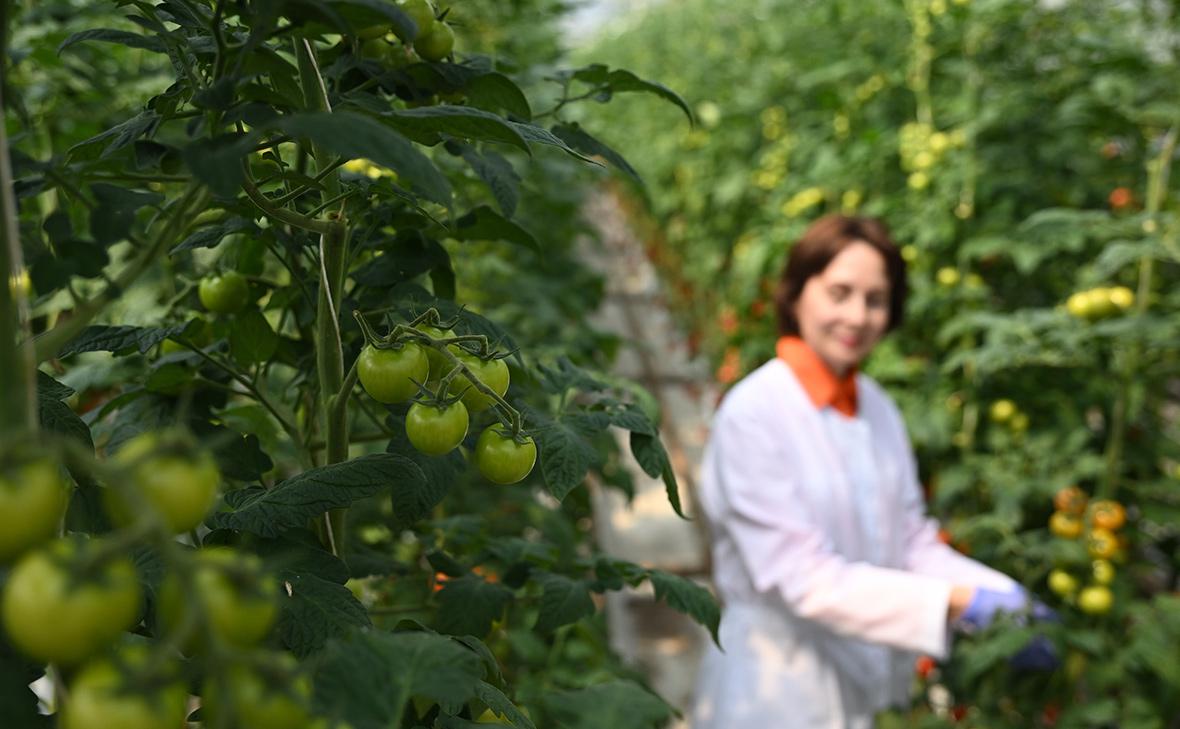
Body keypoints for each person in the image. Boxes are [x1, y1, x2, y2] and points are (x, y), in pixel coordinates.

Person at [689, 215, 1052, 729]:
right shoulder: (754, 413)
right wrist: (957, 603)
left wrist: (1001, 594)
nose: (857, 316)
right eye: (839, 293)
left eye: (876, 299)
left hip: (867, 679)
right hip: (775, 688)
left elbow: (910, 541)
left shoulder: (878, 408)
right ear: (797, 295)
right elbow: (803, 579)